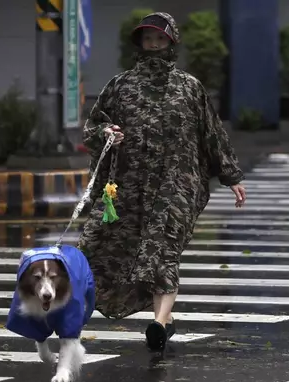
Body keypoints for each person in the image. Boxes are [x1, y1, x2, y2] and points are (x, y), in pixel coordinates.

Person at [77, 12, 246, 351]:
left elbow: (211, 134)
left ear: (172, 42)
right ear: (139, 43)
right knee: (96, 246)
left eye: (160, 39)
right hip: (127, 186)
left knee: (162, 252)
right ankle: (164, 322)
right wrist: (106, 133)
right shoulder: (120, 86)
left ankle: (157, 323)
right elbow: (92, 128)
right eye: (148, 39)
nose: (153, 45)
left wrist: (231, 176)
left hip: (176, 187)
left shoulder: (189, 88)